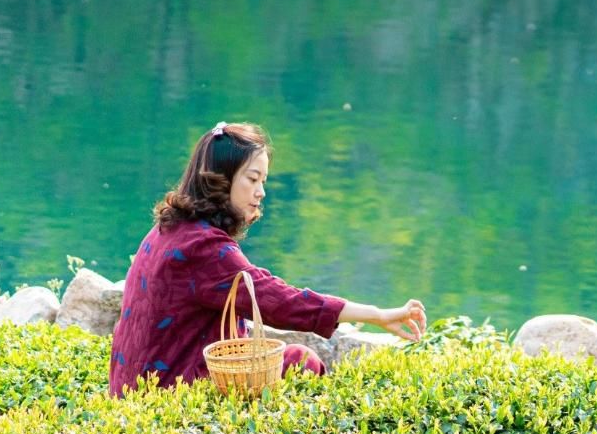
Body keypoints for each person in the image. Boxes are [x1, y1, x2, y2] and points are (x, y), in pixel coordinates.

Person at [109, 121, 427, 396]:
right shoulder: (203, 248)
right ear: (220, 178)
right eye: (252, 179)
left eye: (263, 181)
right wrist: (376, 314)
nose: (261, 192)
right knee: (302, 362)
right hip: (168, 394)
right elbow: (278, 300)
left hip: (134, 390)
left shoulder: (171, 228)